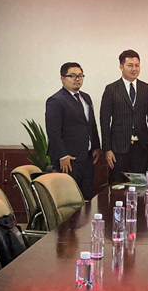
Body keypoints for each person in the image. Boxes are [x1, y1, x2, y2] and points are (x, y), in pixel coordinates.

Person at [45, 62, 102, 200]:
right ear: (62, 79)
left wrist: (96, 146)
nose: (77, 79)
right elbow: (53, 131)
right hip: (68, 159)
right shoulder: (55, 100)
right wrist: (62, 155)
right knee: (70, 199)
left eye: (80, 76)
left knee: (86, 196)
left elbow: (91, 124)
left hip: (87, 157)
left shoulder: (86, 97)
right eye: (72, 76)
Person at [100, 50, 148, 184]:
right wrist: (107, 149)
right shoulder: (111, 89)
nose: (134, 69)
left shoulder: (146, 88)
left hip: (141, 146)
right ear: (121, 67)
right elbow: (105, 120)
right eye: (130, 65)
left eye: (137, 65)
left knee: (141, 185)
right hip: (118, 148)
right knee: (118, 184)